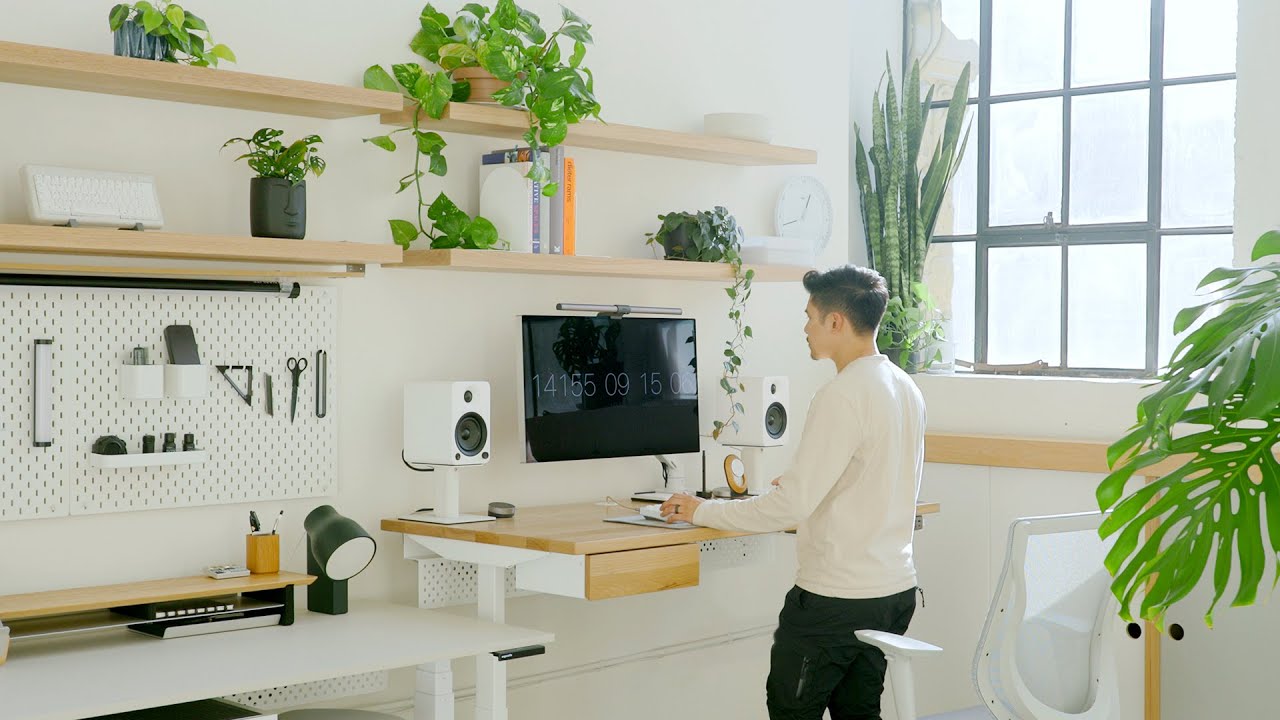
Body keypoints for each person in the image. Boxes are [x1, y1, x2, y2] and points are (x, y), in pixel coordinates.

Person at [661, 265, 926, 720]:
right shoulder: (906, 388)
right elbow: (868, 476)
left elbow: (792, 508)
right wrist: (807, 484)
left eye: (810, 316)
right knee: (859, 712)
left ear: (836, 322)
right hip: (893, 592)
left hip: (836, 600)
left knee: (790, 710)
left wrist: (702, 510)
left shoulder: (842, 394)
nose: (804, 328)